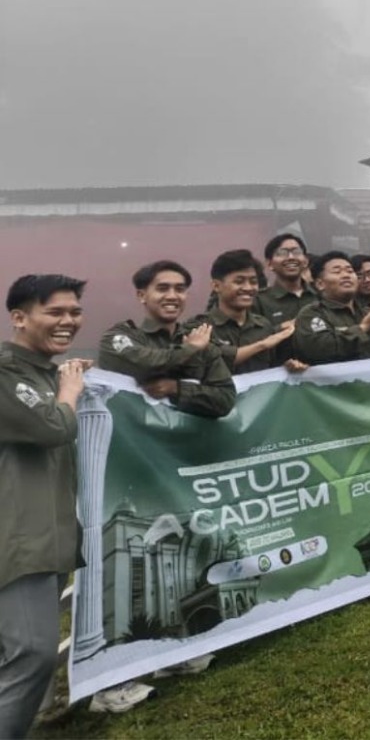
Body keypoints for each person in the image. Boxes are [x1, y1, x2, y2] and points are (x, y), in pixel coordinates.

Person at [0, 274, 90, 739]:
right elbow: (51, 428)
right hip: (16, 536)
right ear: (19, 317)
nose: (68, 321)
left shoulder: (45, 372)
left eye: (74, 312)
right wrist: (70, 393)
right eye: (54, 312)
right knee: (33, 654)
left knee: (16, 657)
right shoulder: (5, 370)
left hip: (47, 532)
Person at [98, 261, 236, 417]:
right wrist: (189, 350)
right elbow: (146, 365)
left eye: (180, 289)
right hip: (134, 439)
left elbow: (226, 399)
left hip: (188, 440)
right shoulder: (120, 337)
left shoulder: (199, 340)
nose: (172, 296)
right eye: (162, 289)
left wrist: (176, 389)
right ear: (142, 295)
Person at [293, 252, 370, 366]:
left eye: (350, 271)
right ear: (320, 284)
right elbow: (319, 350)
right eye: (337, 272)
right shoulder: (312, 314)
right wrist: (363, 328)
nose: (346, 275)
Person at [197, 249, 300, 374]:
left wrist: (289, 367)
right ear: (216, 286)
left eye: (253, 282)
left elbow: (273, 368)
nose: (248, 288)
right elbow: (218, 359)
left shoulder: (264, 326)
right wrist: (262, 345)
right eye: (239, 282)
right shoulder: (199, 327)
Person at [256, 232, 316, 328]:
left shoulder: (321, 295)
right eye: (282, 253)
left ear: (305, 261)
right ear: (269, 264)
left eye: (296, 252)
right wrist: (281, 328)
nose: (291, 257)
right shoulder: (259, 301)